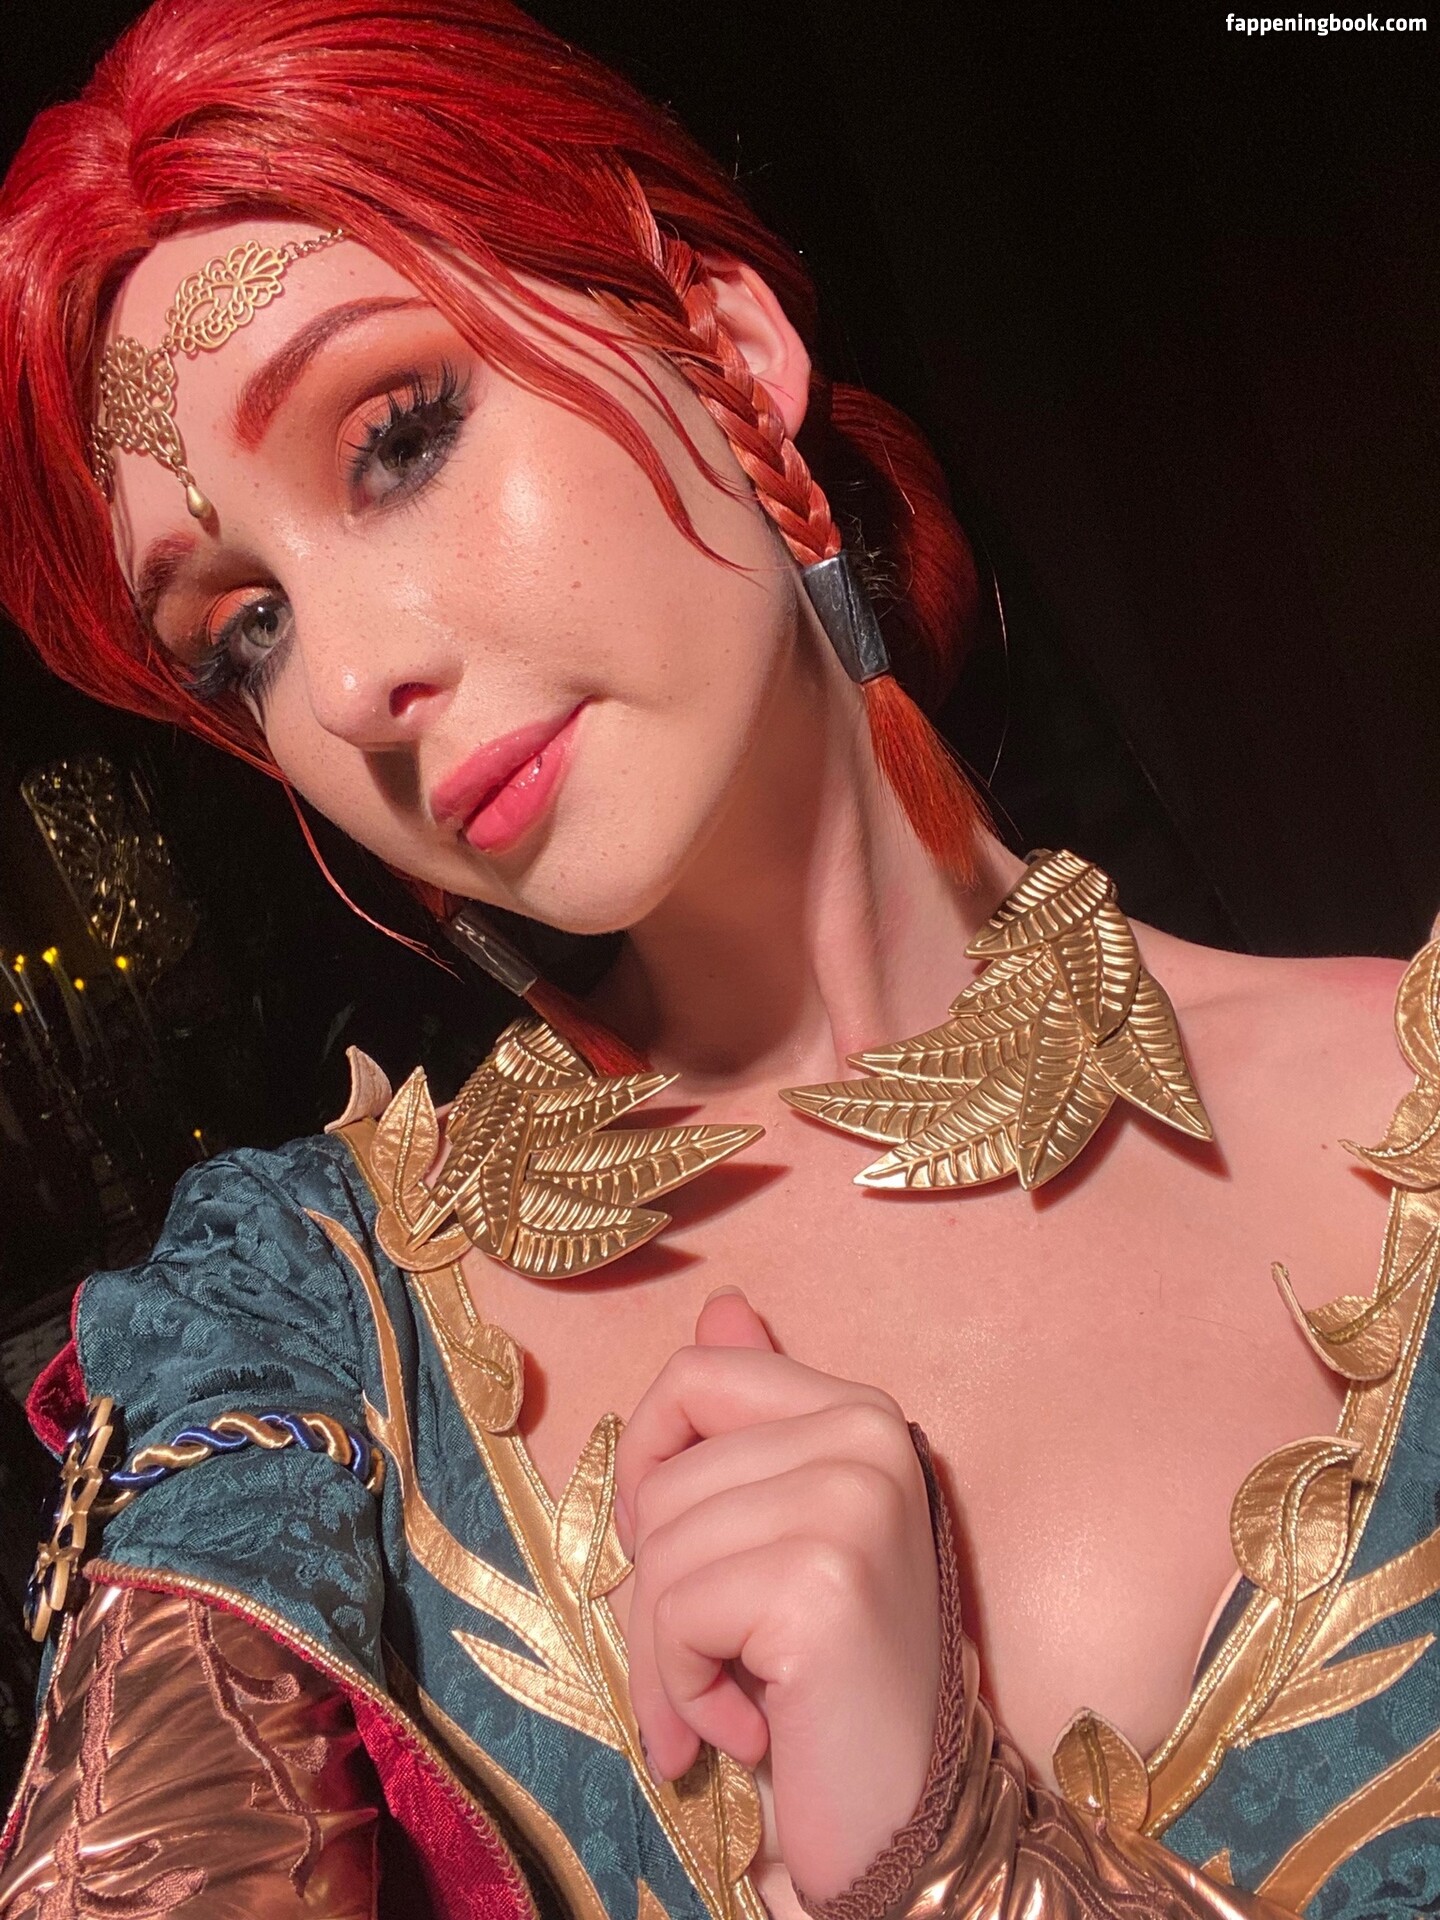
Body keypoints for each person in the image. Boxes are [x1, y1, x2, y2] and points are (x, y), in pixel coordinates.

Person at [0, 1, 1435, 1915]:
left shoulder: (1410, 1124)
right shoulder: (300, 1333)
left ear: (729, 346)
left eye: (398, 437)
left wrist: (944, 1856)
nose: (344, 685)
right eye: (242, 630)